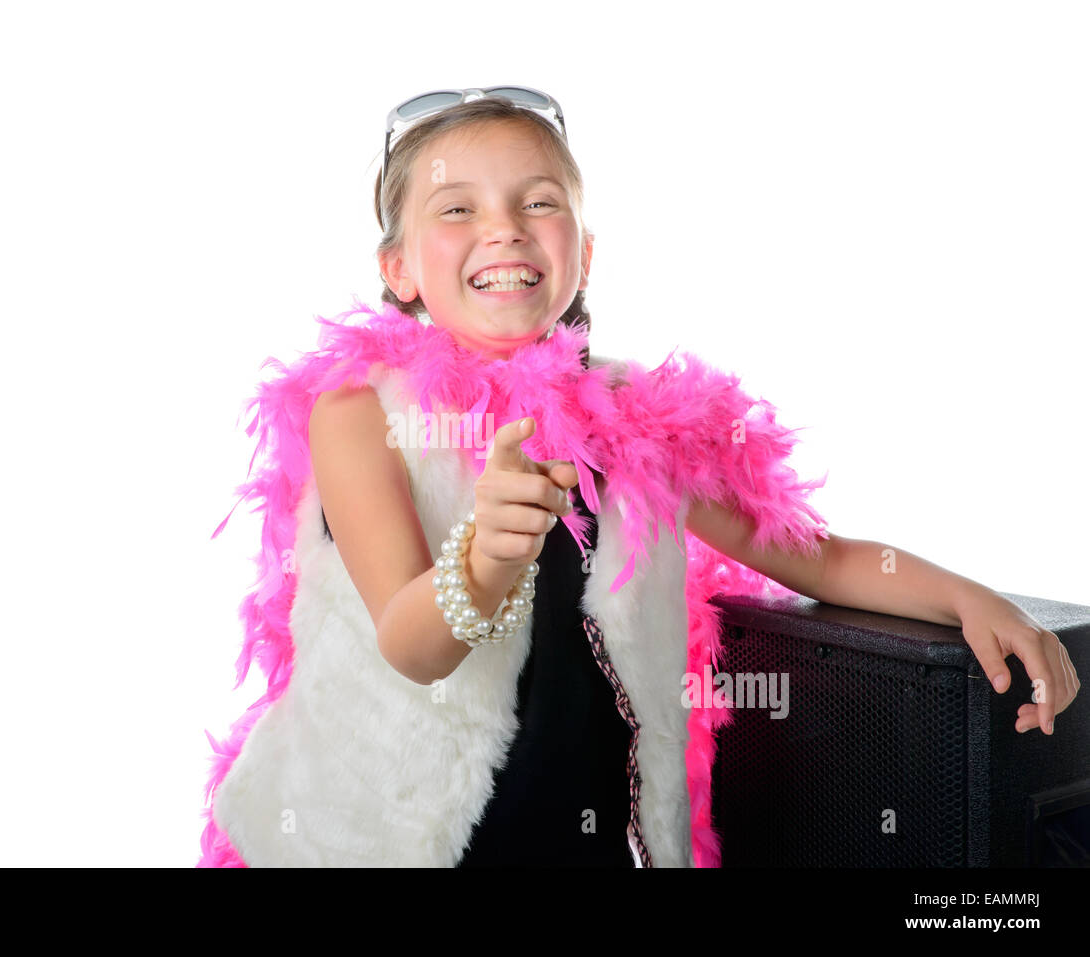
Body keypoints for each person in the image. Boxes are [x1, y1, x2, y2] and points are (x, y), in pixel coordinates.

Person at [198, 88, 1080, 868]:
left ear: (583, 253)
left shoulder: (636, 416)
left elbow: (818, 557)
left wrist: (971, 599)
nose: (503, 226)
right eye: (456, 208)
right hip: (381, 840)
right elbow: (411, 642)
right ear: (398, 270)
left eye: (538, 202)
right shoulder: (360, 413)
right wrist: (486, 555)